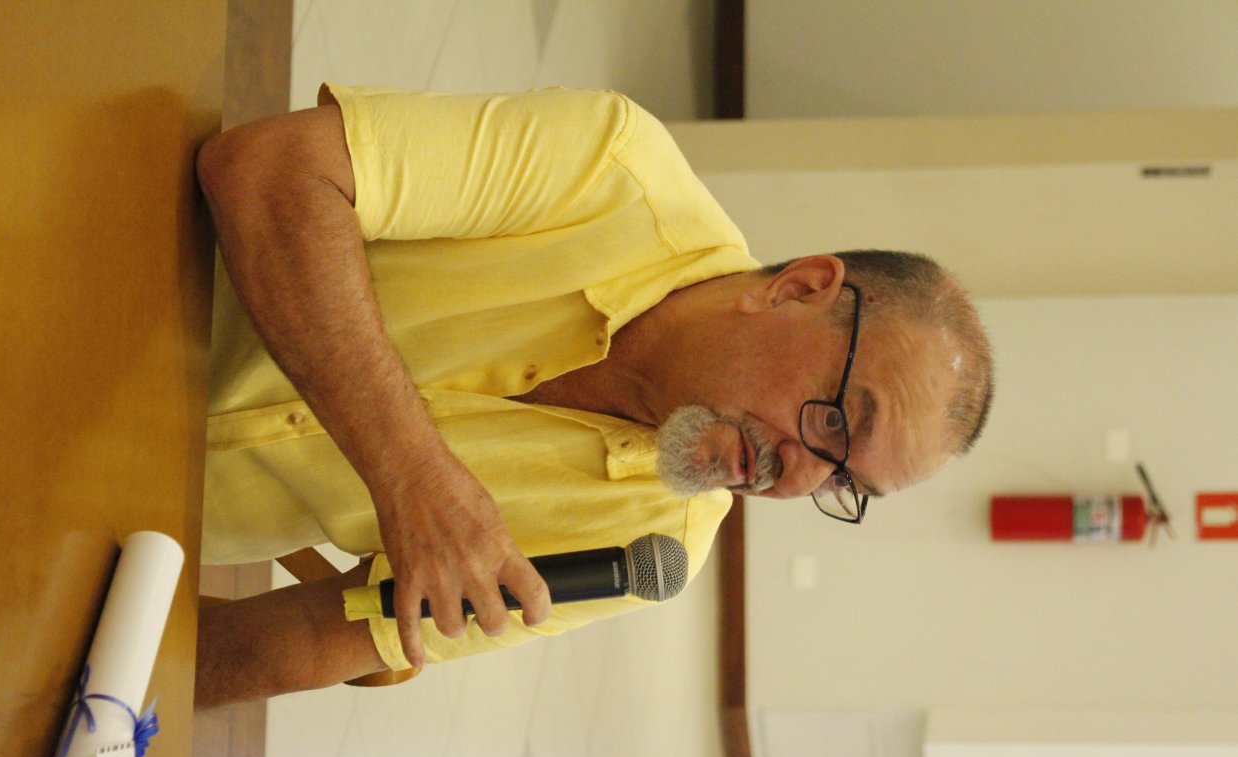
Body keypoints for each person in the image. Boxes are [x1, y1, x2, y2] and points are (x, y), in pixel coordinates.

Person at [194, 84, 992, 708]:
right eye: (838, 421)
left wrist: (118, 688)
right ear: (800, 287)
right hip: (134, 272)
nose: (798, 475)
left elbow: (317, 634)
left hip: (153, 514)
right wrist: (411, 471)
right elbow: (269, 170)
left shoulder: (656, 545)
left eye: (843, 480)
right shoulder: (612, 167)